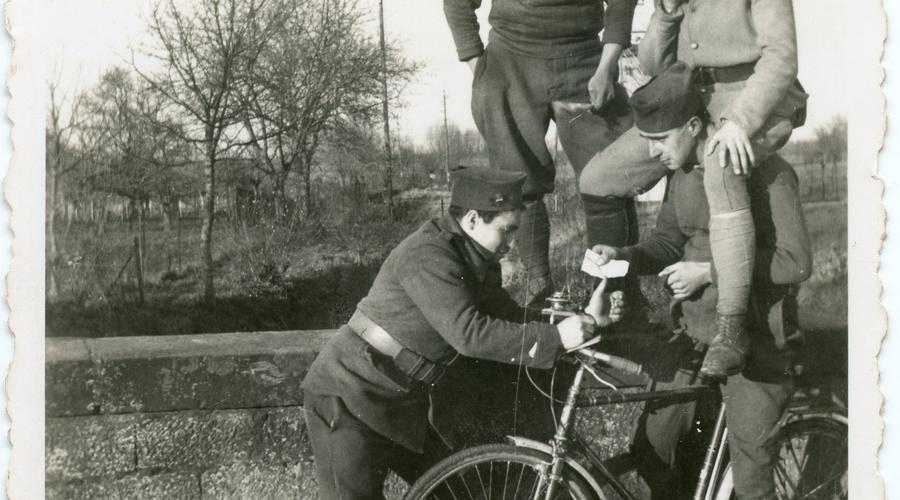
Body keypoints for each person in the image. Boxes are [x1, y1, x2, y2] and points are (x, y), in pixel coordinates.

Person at [302, 166, 625, 500]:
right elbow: (468, 333)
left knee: (463, 491)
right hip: (351, 391)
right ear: (472, 219)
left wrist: (585, 318)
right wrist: (558, 339)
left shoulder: (473, 256)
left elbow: (510, 318)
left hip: (401, 398)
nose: (511, 244)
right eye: (507, 230)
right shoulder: (429, 254)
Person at [590, 64, 812, 500]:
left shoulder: (766, 171)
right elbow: (666, 244)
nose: (652, 153)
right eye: (647, 142)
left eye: (660, 140)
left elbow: (795, 262)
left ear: (694, 126)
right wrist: (621, 259)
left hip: (757, 344)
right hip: (694, 335)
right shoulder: (683, 175)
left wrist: (708, 272)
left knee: (751, 479)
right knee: (653, 450)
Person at [579, 0, 808, 376]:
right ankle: (622, 301)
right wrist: (666, 12)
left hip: (756, 99)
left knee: (721, 165)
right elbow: (654, 65)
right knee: (598, 177)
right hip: (687, 104)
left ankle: (731, 330)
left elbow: (782, 57)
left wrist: (740, 122)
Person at [443, 0, 639, 305]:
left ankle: (614, 292)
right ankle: (540, 288)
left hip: (583, 59)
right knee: (520, 183)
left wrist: (606, 66)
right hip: (510, 59)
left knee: (608, 182)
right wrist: (477, 63)